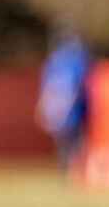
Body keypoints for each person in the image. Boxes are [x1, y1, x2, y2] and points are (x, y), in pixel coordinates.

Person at [37, 28, 91, 172]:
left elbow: (47, 89)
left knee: (66, 143)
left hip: (62, 111)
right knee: (73, 143)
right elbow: (78, 87)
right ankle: (72, 170)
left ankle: (69, 170)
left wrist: (43, 109)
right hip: (72, 111)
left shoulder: (54, 61)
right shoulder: (77, 61)